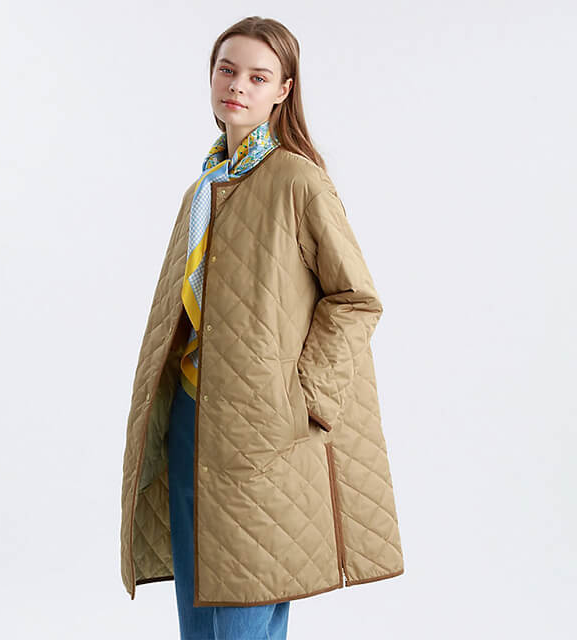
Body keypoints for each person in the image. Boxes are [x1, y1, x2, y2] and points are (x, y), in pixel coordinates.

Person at [119, 16, 404, 640]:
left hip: (263, 430)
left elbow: (356, 299)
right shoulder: (204, 187)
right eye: (227, 70)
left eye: (257, 76)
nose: (237, 86)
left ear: (283, 90)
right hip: (190, 417)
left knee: (244, 614)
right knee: (203, 619)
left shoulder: (297, 179)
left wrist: (301, 400)